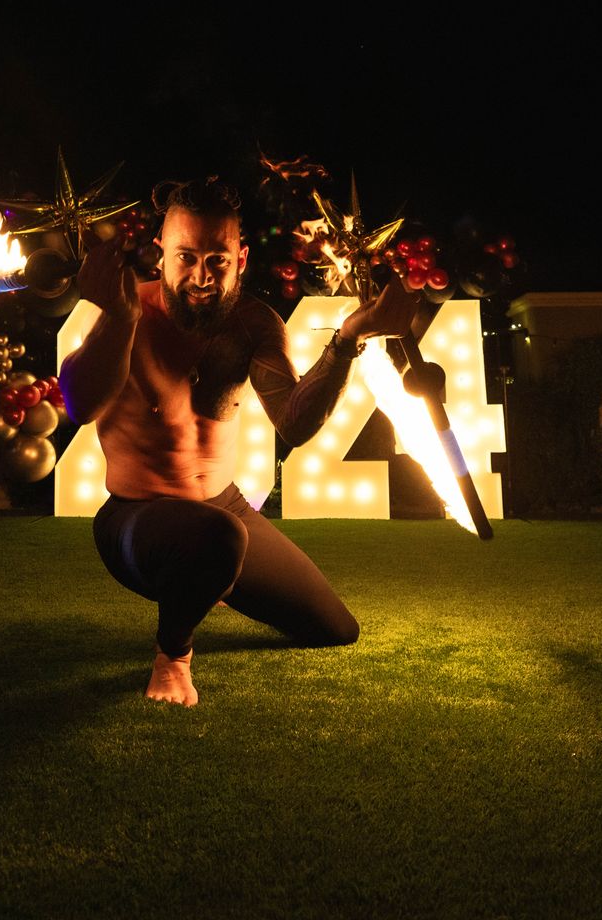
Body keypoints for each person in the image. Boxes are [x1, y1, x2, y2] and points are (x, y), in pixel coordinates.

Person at [60, 176, 417, 706]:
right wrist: (121, 318)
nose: (201, 277)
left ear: (241, 258)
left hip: (222, 509)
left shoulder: (252, 324)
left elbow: (294, 425)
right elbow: (80, 404)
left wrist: (348, 339)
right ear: (160, 254)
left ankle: (209, 576)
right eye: (185, 257)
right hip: (137, 520)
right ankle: (173, 657)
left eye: (217, 260)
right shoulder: (124, 311)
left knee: (335, 628)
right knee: (218, 538)